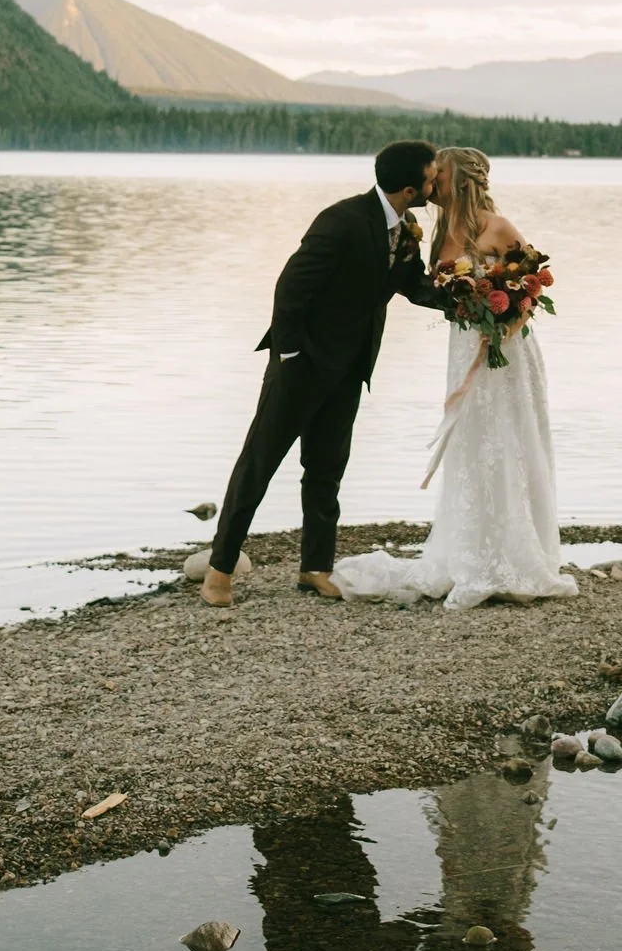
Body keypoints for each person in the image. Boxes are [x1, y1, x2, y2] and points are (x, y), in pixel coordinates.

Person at [332, 146, 578, 609]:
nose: (430, 183)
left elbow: (532, 282)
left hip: (505, 352)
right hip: (463, 346)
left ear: (459, 182)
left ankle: (516, 554)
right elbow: (433, 290)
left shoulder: (497, 226)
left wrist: (503, 327)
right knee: (472, 444)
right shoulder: (439, 229)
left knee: (508, 440)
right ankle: (469, 551)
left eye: (437, 176)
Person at [201, 140, 441, 605]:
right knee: (258, 467)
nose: (435, 187)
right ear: (410, 187)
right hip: (301, 366)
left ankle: (315, 568)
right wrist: (288, 355)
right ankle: (219, 571)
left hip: (349, 370)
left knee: (327, 469)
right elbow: (291, 286)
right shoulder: (342, 219)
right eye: (432, 179)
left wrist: (471, 303)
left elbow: (414, 286)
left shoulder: (407, 229)